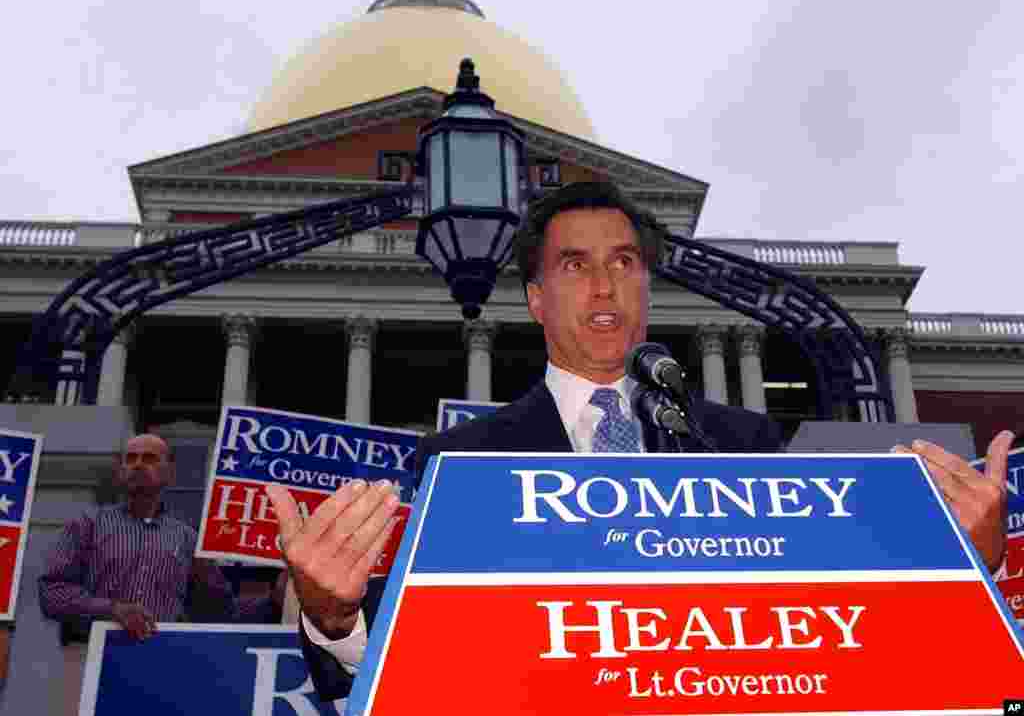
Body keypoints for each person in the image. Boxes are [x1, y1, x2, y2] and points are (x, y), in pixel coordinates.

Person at [265, 180, 1011, 702]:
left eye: (624, 263)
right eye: (574, 265)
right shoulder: (458, 464)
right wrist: (332, 616)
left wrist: (962, 567)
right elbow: (384, 678)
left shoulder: (742, 441)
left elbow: (832, 635)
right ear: (535, 299)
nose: (604, 286)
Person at [39, 433, 286, 716]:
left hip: (159, 668)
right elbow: (52, 593)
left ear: (170, 471)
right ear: (120, 471)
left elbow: (222, 612)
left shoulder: (187, 539)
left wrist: (275, 600)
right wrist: (112, 609)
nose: (138, 465)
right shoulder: (86, 525)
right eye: (130, 459)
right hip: (88, 660)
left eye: (149, 458)